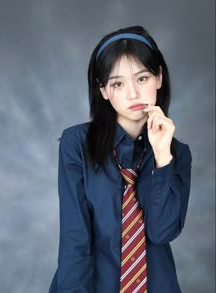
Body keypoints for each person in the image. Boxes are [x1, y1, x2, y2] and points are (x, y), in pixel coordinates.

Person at [49, 25, 192, 293]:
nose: (133, 94)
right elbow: (74, 237)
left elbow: (162, 232)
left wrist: (162, 159)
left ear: (159, 78)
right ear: (103, 90)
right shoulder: (76, 144)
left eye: (142, 78)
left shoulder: (177, 154)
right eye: (117, 83)